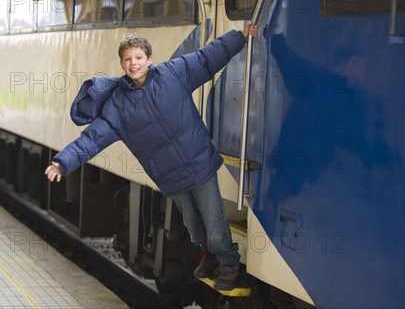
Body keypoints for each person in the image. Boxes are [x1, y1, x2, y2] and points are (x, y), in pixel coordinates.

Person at [45, 22, 259, 291]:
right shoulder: (117, 107)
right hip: (170, 175)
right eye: (127, 60)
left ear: (149, 59)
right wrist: (61, 162)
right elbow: (92, 140)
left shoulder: (174, 73)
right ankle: (207, 254)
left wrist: (239, 36)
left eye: (138, 58)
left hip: (200, 163)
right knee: (194, 225)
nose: (133, 64)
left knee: (214, 221)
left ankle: (228, 266)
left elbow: (207, 58)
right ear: (121, 65)